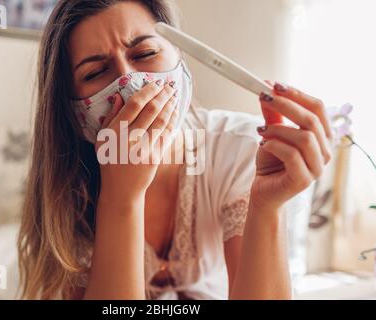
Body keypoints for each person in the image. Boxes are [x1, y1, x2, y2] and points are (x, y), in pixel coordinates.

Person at [17, 0, 333, 300]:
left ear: (179, 57)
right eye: (95, 73)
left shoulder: (240, 148)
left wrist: (266, 206)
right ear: (70, 109)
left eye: (145, 52)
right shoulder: (64, 192)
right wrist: (121, 197)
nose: (129, 82)